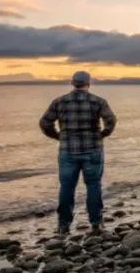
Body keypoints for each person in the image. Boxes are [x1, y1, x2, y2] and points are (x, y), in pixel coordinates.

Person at [39, 70, 117, 236]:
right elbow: (110, 120)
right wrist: (104, 133)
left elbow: (45, 123)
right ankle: (96, 223)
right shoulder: (98, 101)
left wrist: (58, 136)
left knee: (67, 187)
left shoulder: (60, 102)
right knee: (93, 186)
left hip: (68, 151)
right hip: (92, 150)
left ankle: (63, 225)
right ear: (89, 83)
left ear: (72, 83)